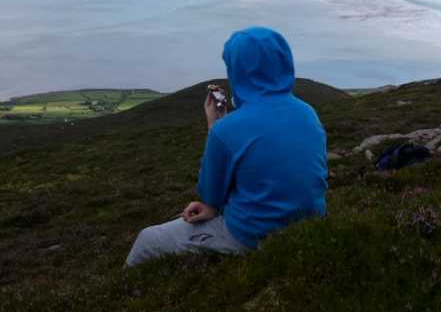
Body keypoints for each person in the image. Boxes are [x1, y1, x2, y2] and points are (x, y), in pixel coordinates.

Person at [125, 27, 328, 266]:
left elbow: (211, 194)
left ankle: (121, 293)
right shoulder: (307, 112)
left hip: (254, 235)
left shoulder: (227, 129)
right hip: (309, 223)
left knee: (147, 240)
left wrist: (214, 127)